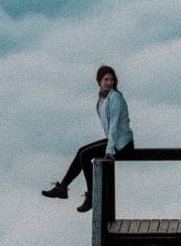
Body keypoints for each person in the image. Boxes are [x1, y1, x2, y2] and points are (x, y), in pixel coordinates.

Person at [42, 65, 135, 212]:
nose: (109, 82)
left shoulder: (115, 98)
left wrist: (110, 149)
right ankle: (62, 188)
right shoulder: (102, 100)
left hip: (122, 144)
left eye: (112, 79)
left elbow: (114, 126)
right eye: (106, 79)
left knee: (85, 155)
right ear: (99, 81)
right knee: (82, 151)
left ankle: (92, 195)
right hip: (115, 141)